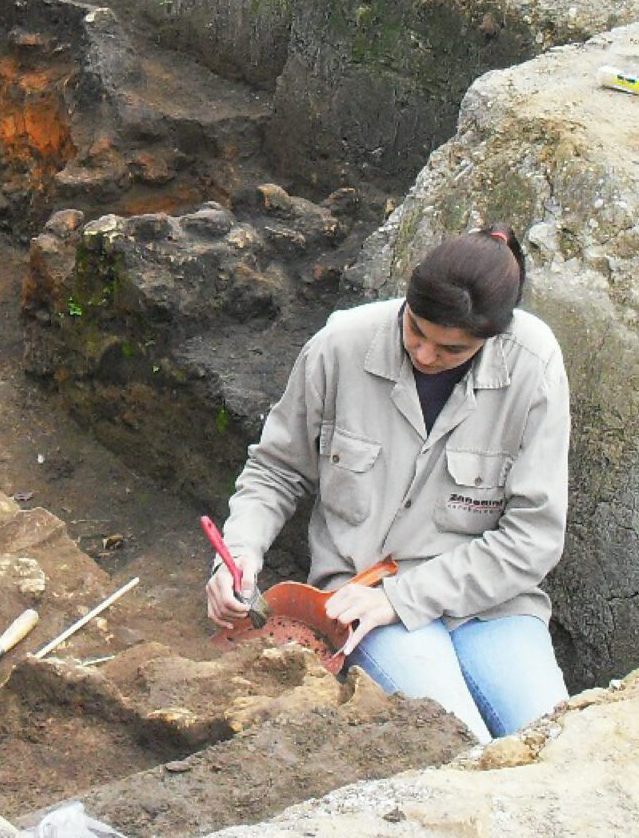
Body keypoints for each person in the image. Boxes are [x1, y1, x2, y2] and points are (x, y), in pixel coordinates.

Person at [204, 225, 571, 743]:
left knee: (556, 740)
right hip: (362, 602)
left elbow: (533, 537)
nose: (424, 355)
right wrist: (238, 552)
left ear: (492, 338)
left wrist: (407, 597)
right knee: (459, 745)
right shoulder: (339, 345)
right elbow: (276, 469)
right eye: (416, 331)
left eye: (451, 349)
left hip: (490, 603)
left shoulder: (533, 364)